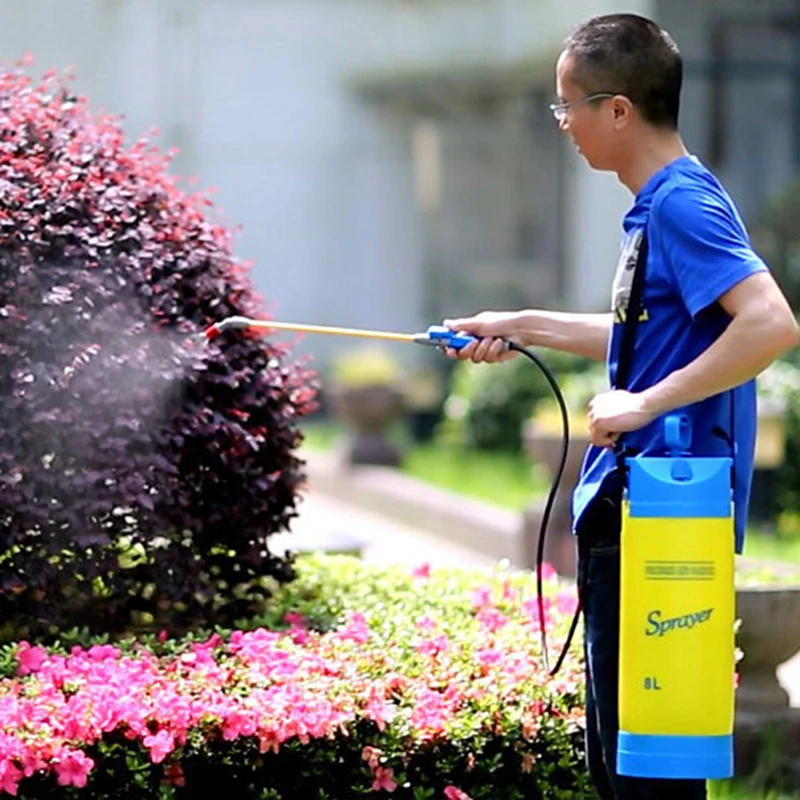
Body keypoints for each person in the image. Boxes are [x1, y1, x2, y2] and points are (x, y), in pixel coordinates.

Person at [443, 13, 799, 800]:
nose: (562, 123)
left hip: (656, 520)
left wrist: (645, 404)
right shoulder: (662, 205)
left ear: (617, 110)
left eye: (568, 104)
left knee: (644, 778)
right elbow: (643, 334)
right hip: (634, 513)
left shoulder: (680, 205)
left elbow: (771, 322)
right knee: (629, 767)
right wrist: (518, 323)